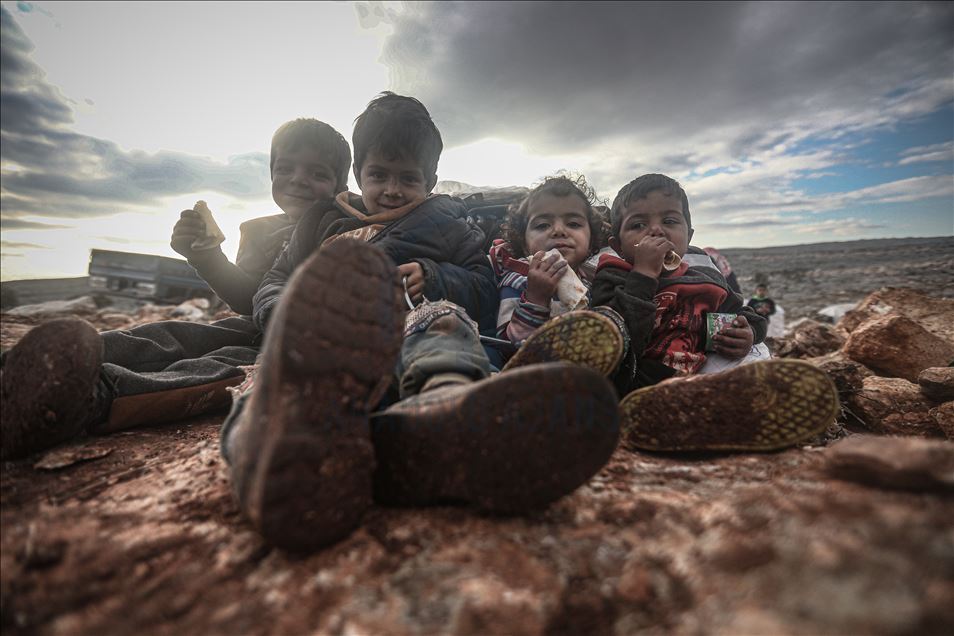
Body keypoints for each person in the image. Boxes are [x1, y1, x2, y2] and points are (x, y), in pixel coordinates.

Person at [220, 93, 620, 552]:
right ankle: (271, 455)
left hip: (407, 335)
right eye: (379, 175)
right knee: (268, 383)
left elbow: (483, 288)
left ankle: (446, 406)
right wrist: (287, 313)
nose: (392, 189)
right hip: (320, 352)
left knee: (443, 319)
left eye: (408, 178)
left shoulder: (448, 225)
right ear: (358, 174)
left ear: (429, 181)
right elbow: (272, 282)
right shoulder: (320, 223)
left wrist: (434, 276)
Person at [1, 119, 352, 459]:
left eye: (317, 173)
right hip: (252, 325)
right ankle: (28, 368)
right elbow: (247, 299)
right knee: (167, 336)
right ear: (272, 172)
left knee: (219, 368)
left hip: (296, 343)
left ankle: (90, 397)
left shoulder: (342, 226)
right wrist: (205, 255)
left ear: (340, 185)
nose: (298, 180)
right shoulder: (258, 230)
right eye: (285, 168)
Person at [590, 174, 839, 451]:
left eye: (670, 221)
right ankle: (663, 423)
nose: (656, 231)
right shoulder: (614, 277)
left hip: (699, 374)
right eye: (638, 225)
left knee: (752, 359)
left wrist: (747, 333)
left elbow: (745, 314)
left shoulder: (704, 277)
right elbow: (620, 337)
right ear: (618, 245)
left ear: (689, 236)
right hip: (639, 382)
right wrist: (644, 275)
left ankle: (764, 412)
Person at [488, 174, 626, 376]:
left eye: (574, 224)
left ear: (591, 240)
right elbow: (509, 348)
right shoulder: (519, 279)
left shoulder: (592, 280)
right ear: (524, 242)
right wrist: (536, 298)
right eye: (542, 225)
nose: (559, 231)